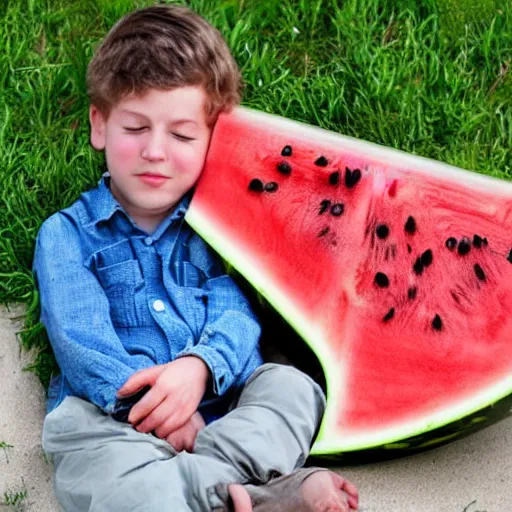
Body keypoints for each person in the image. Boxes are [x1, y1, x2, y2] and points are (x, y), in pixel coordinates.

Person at [33, 5, 359, 511]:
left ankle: (204, 491)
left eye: (182, 135)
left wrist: (201, 368)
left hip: (221, 407)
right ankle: (259, 495)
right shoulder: (65, 234)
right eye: (135, 128)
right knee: (115, 479)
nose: (156, 152)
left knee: (293, 389)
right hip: (112, 426)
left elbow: (236, 309)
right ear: (100, 125)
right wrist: (156, 409)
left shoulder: (216, 229)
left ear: (214, 138)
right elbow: (80, 340)